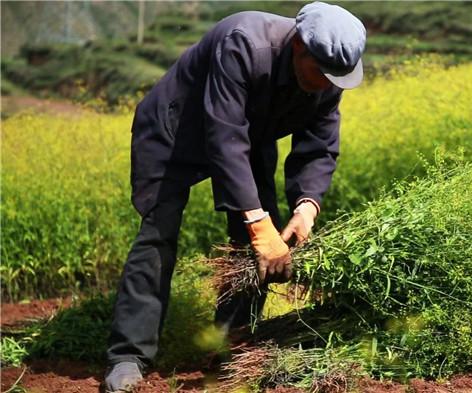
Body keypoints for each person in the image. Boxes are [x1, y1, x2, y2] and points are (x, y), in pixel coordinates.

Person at [103, 2, 366, 392]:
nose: (328, 84)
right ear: (298, 47)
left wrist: (307, 206)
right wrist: (260, 227)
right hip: (177, 129)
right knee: (159, 233)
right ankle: (127, 357)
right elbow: (223, 136)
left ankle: (228, 346)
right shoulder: (243, 42)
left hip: (250, 136)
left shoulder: (328, 78)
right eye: (321, 73)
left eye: (336, 78)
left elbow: (319, 146)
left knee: (257, 242)